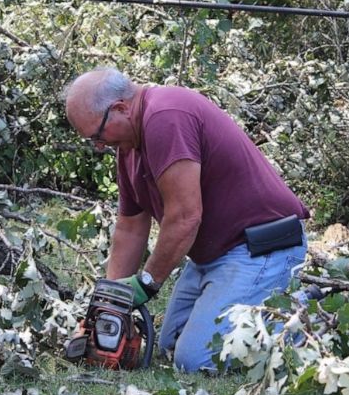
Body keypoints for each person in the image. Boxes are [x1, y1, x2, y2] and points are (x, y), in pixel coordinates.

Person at [63, 67, 309, 371]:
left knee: (196, 360)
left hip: (261, 248)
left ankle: (305, 320)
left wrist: (147, 282)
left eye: (98, 135)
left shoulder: (166, 117)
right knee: (169, 346)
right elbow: (130, 228)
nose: (99, 145)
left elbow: (185, 217)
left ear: (121, 109)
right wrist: (111, 305)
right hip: (213, 257)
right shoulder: (129, 149)